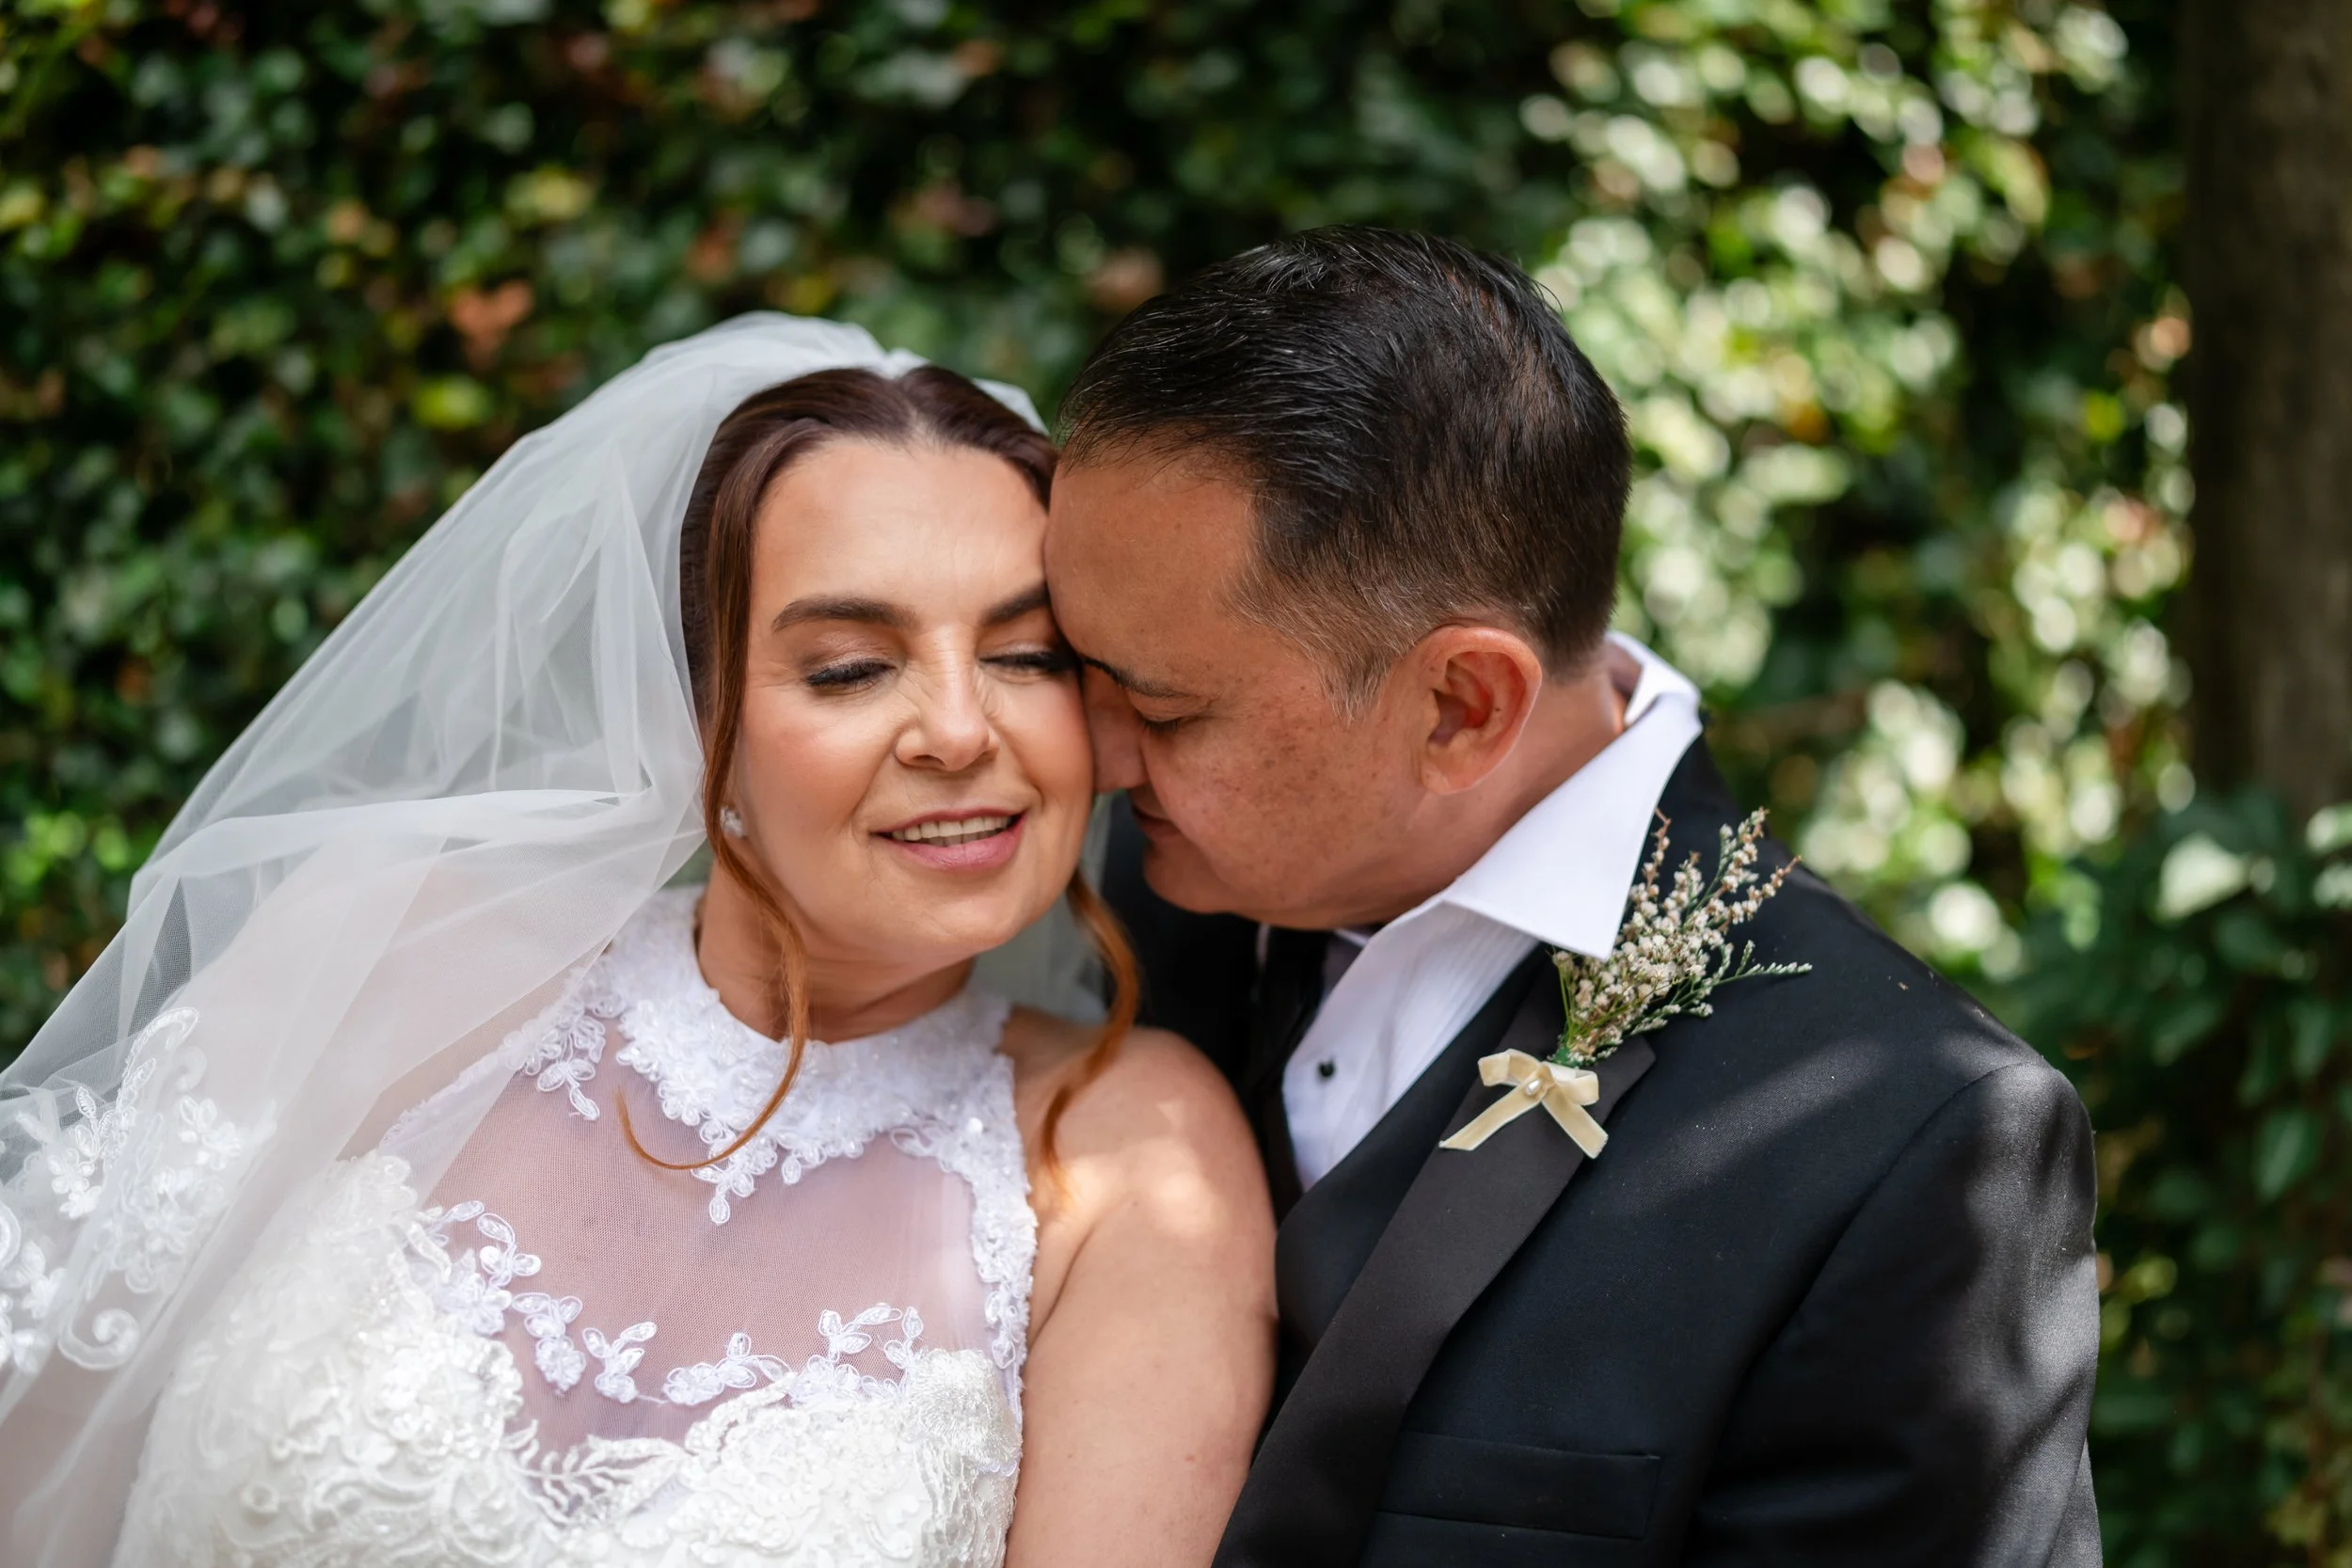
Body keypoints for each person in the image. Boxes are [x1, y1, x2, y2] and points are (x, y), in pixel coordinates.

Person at [0, 319, 1273, 1567]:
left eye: (1024, 654)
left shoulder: (1130, 1152)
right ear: (697, 716)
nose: (956, 727)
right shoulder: (396, 956)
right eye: (845, 668)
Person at [1045, 227, 2103, 1566]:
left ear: (1460, 703)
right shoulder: (1105, 904)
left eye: (1159, 706)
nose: (1086, 752)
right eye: (1068, 666)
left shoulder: (1908, 1147)